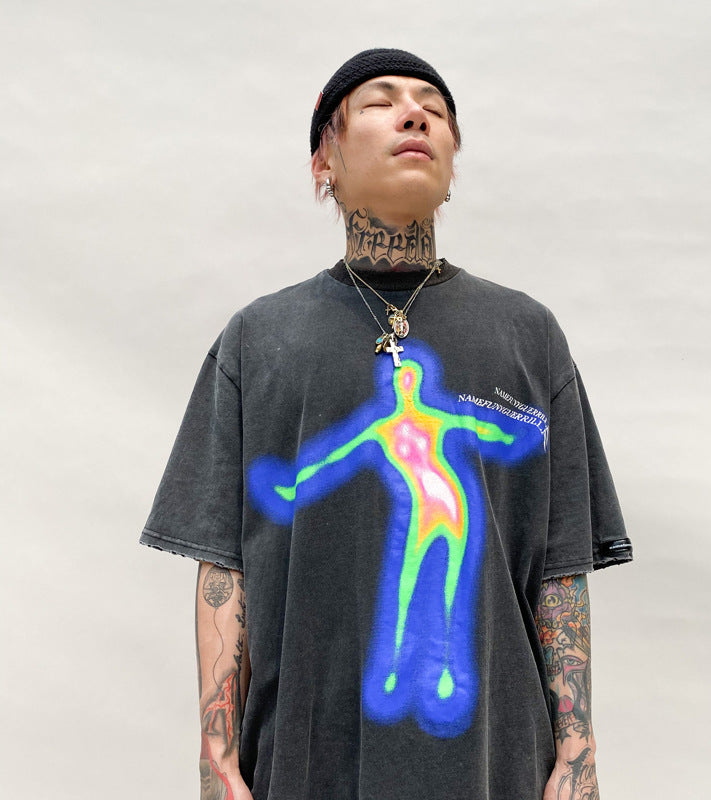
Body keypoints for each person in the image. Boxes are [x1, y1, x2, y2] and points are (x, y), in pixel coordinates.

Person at [140, 48, 633, 800]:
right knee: (408, 590)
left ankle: (437, 668)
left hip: (493, 767)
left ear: (453, 164)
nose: (414, 115)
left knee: (433, 583)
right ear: (324, 162)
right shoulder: (258, 341)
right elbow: (224, 566)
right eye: (381, 101)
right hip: (308, 762)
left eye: (435, 110)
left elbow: (559, 566)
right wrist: (217, 755)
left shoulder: (527, 335)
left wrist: (578, 750)